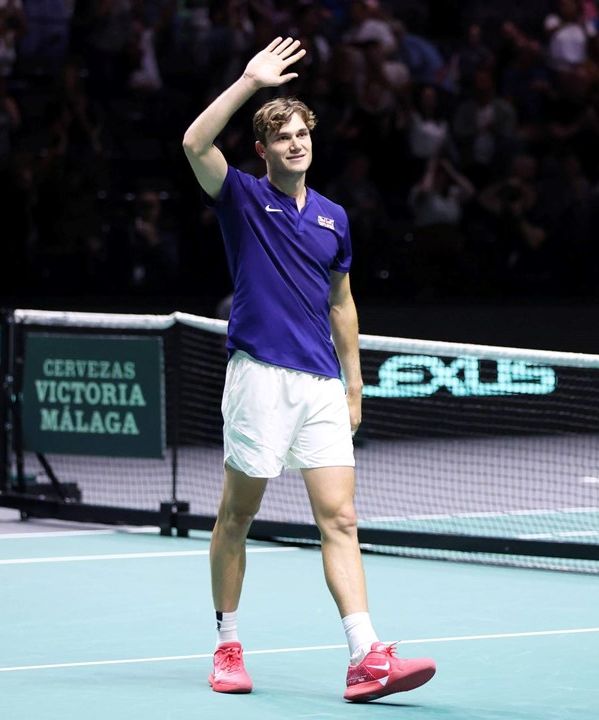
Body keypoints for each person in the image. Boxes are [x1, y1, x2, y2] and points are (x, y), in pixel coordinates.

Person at [181, 37, 436, 703]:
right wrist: (247, 82)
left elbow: (343, 303)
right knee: (237, 515)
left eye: (302, 134)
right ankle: (227, 644)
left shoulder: (334, 217)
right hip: (260, 376)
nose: (296, 144)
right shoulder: (239, 197)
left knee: (341, 519)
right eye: (282, 137)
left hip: (321, 385)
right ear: (262, 150)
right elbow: (192, 143)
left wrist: (355, 382)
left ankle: (365, 655)